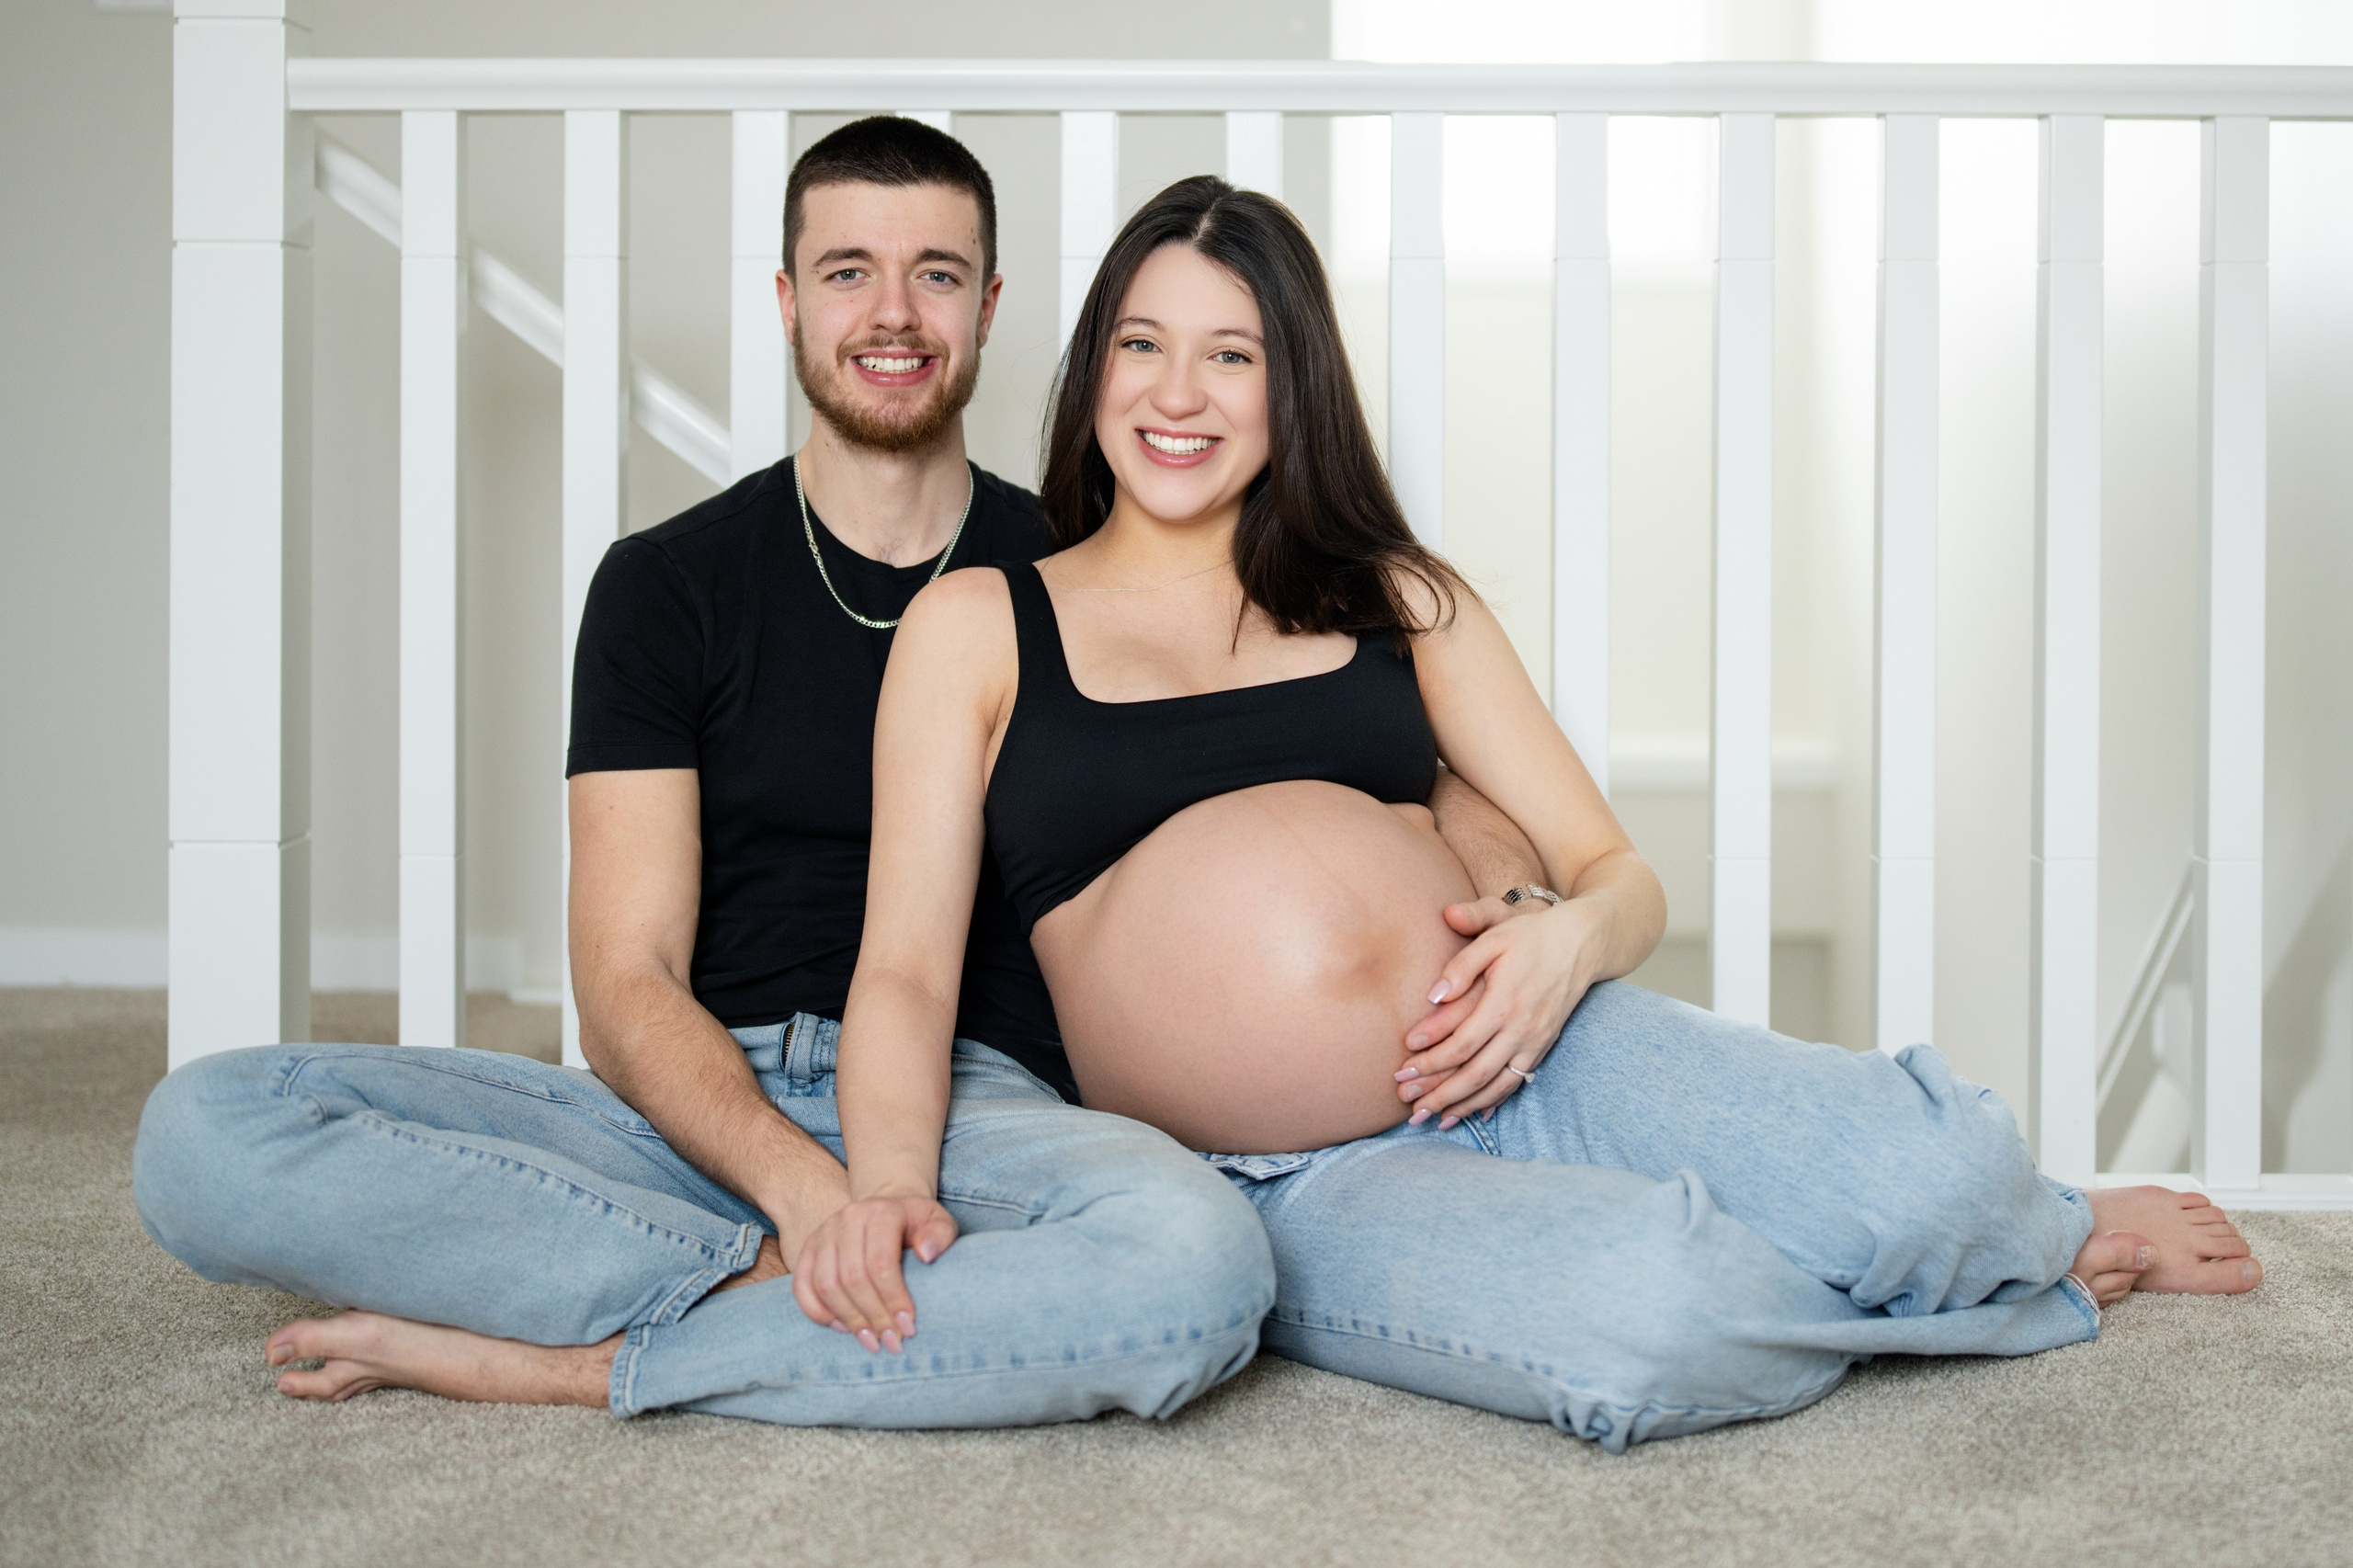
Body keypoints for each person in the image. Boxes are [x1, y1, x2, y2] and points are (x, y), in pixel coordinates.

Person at [802, 175, 2264, 1452]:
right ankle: (2000, 1288)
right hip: (1281, 1177)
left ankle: (2025, 1222)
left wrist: (1560, 946)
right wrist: (880, 1185)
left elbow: (1617, 874)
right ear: (1093, 367)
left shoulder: (1399, 594)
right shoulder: (983, 625)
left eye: (1230, 355)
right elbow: (907, 971)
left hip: (1541, 1047)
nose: (1177, 396)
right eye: (1143, 345)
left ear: (1289, 384)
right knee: (1656, 1317)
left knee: (1932, 1171)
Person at [129, 119, 1304, 1428]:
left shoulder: (1082, 570)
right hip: (694, 1108)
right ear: (791, 302)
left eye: (937, 272)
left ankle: (568, 1358)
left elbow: (1322, 735)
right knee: (205, 1132)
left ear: (989, 305)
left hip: (979, 1107)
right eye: (850, 269)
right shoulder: (665, 584)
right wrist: (809, 1201)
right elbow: (626, 982)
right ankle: (798, 1287)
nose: (895, 312)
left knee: (1203, 1268)